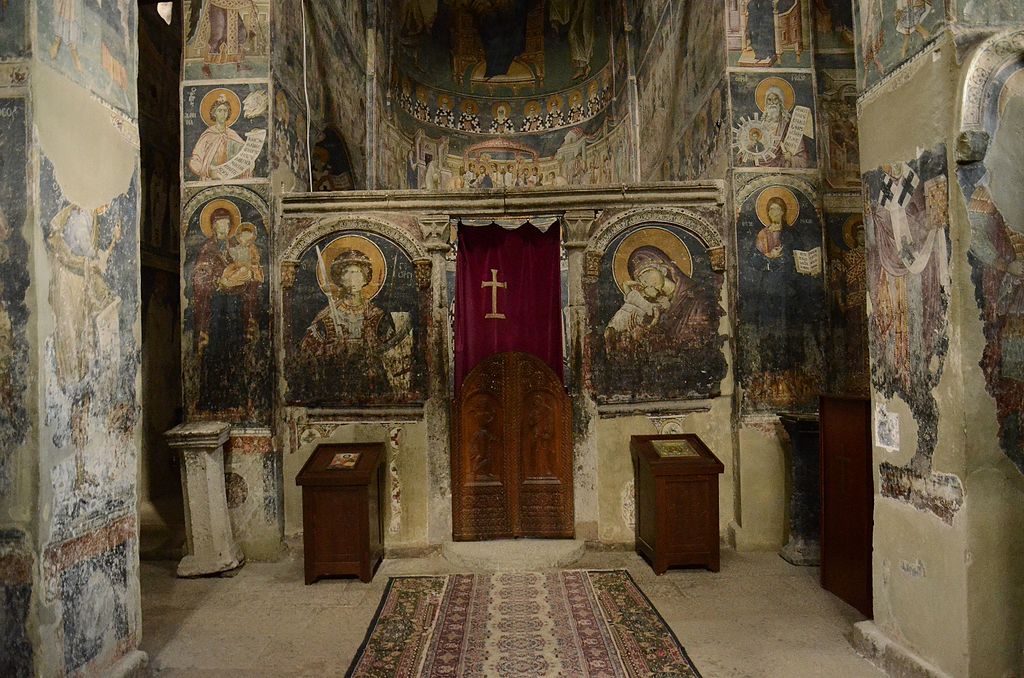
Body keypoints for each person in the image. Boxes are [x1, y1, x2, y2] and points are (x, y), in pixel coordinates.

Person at [301, 249, 397, 397]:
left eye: (357, 273)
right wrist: (331, 348)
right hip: (335, 385)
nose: (352, 279)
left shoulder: (377, 316)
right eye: (347, 273)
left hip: (372, 386)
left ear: (366, 278)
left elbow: (393, 354)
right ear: (340, 279)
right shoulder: (327, 316)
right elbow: (308, 353)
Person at [189, 92, 248, 181]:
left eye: (225, 111)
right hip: (210, 180)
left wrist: (248, 162)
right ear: (214, 113)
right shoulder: (208, 135)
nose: (223, 113)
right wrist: (208, 170)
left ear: (228, 113)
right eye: (219, 110)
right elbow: (195, 160)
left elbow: (245, 154)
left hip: (231, 179)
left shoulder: (232, 134)